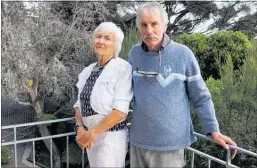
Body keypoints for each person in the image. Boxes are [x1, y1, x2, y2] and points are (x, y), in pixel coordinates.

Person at [128, 2, 237, 168]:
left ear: (164, 25)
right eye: (144, 25)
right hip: (137, 143)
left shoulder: (183, 54)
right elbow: (124, 92)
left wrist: (214, 130)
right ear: (138, 27)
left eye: (154, 24)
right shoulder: (134, 53)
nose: (149, 31)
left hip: (170, 147)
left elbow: (201, 97)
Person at [73, 22, 133, 167]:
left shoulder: (122, 68)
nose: (100, 41)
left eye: (107, 38)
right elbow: (78, 104)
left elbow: (120, 112)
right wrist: (80, 128)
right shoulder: (88, 70)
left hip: (110, 138)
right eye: (98, 37)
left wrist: (91, 133)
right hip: (90, 136)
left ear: (116, 45)